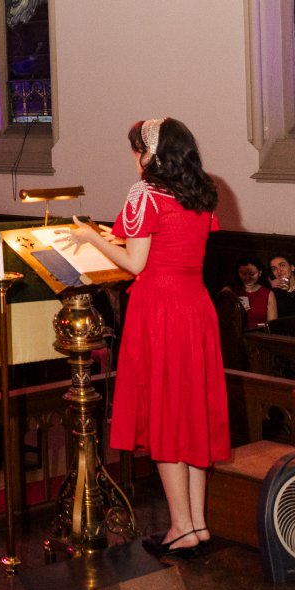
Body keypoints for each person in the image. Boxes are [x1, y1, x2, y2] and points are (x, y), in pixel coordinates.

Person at [70, 117, 228, 560]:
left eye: (136, 148)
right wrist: (113, 237)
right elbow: (170, 242)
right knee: (191, 416)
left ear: (152, 153)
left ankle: (179, 527)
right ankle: (196, 524)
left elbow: (136, 265)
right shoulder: (201, 191)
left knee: (165, 417)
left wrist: (88, 235)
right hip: (195, 309)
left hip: (160, 311)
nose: (133, 157)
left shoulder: (145, 193)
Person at [224, 260, 277, 329]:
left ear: (260, 273)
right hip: (235, 334)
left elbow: (272, 324)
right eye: (243, 274)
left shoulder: (268, 293)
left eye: (252, 274)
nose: (247, 277)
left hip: (259, 335)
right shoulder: (229, 291)